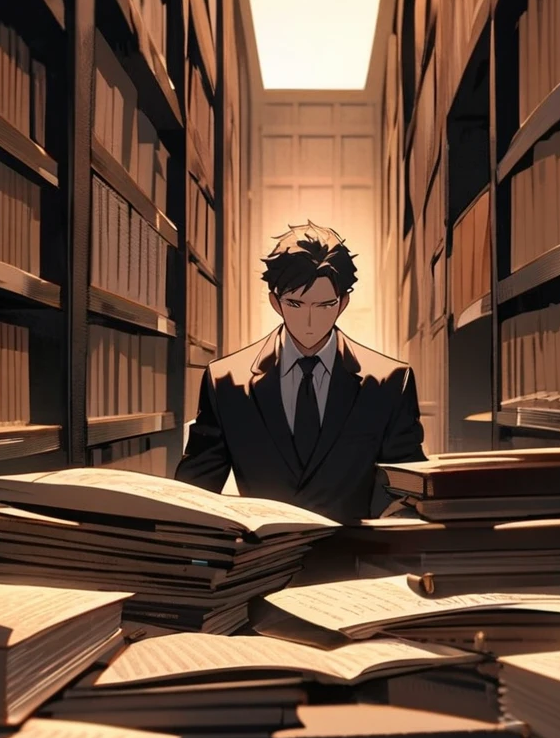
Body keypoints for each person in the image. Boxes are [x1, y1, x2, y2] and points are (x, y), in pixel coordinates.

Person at [175, 221, 426, 522]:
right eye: (295, 304)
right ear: (275, 302)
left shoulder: (390, 382)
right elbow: (193, 495)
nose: (309, 322)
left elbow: (407, 492)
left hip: (360, 556)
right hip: (261, 560)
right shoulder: (226, 382)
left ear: (343, 303)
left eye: (324, 305)